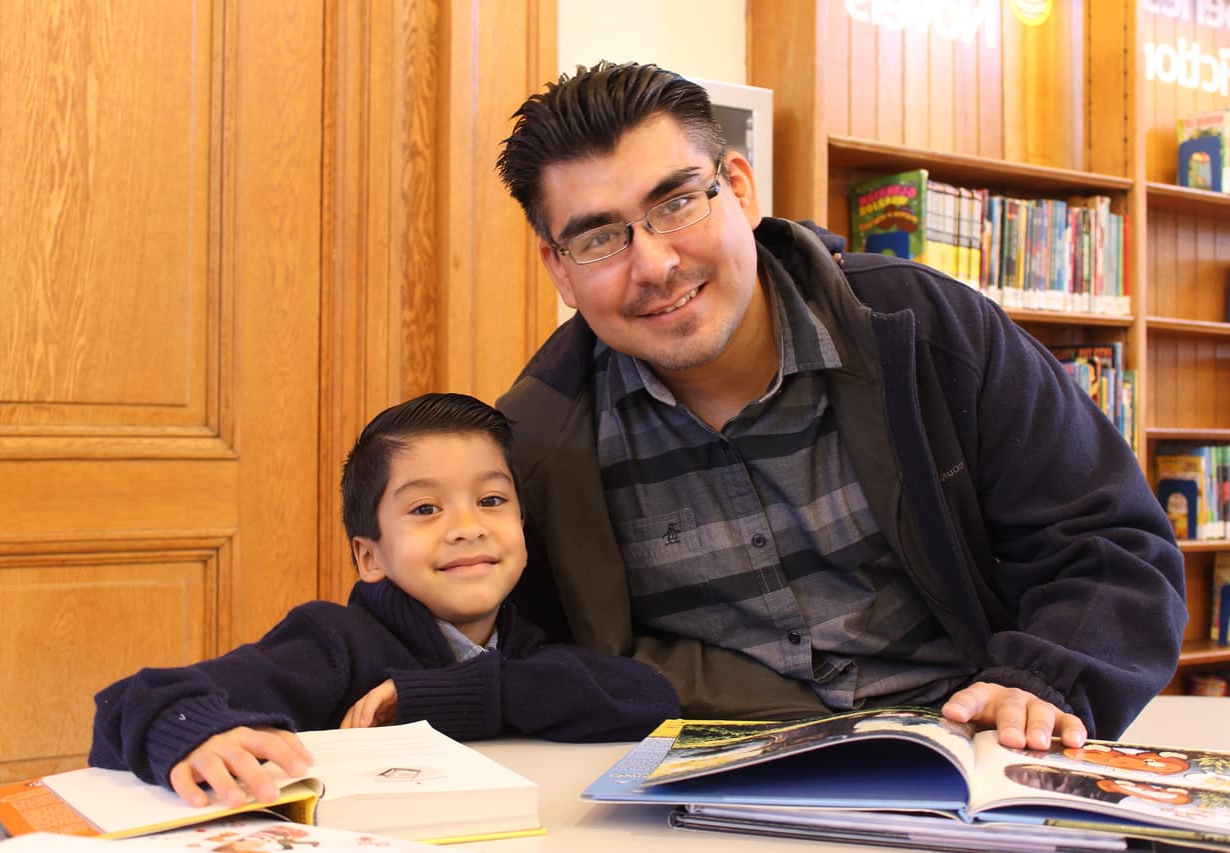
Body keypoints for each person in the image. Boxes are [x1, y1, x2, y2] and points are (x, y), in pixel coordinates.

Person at [493, 60, 1186, 748]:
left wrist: (1041, 680)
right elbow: (471, 619)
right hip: (714, 795)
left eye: (675, 204)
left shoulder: (927, 330)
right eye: (599, 238)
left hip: (970, 752)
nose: (654, 265)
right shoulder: (538, 438)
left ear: (738, 188)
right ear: (559, 267)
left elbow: (1110, 544)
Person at [89, 392, 678, 809]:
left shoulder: (524, 646)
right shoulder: (333, 642)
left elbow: (648, 697)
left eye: (492, 500)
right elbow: (133, 701)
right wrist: (196, 737)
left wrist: (450, 696)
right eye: (425, 509)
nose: (467, 526)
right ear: (369, 557)